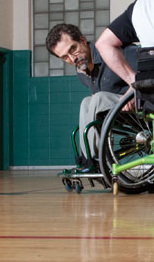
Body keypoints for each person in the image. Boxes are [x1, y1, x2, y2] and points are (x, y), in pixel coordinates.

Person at [46, 23, 137, 169]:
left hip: (137, 104)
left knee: (98, 98)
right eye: (65, 57)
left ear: (82, 40)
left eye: (73, 49)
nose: (72, 58)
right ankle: (87, 158)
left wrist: (131, 92)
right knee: (86, 102)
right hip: (116, 113)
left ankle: (95, 160)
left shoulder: (112, 50)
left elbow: (145, 75)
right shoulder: (81, 72)